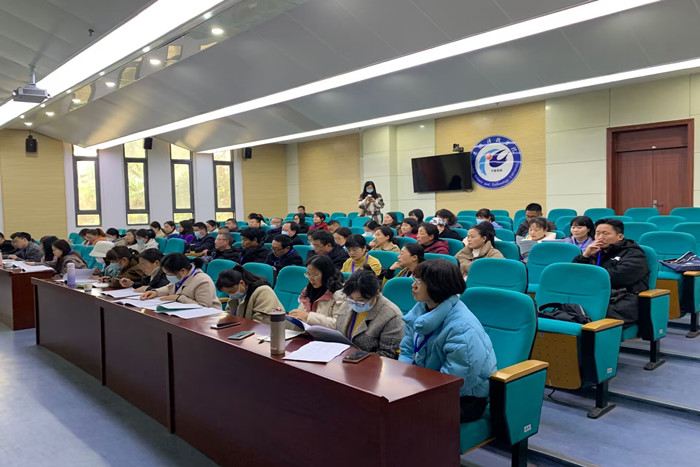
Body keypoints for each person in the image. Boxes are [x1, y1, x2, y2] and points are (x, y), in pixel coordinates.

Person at [400, 259, 497, 423]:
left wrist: (415, 391)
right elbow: (407, 350)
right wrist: (402, 379)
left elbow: (457, 379)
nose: (413, 285)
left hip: (463, 398)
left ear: (437, 286)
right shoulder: (419, 313)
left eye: (418, 281)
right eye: (414, 279)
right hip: (426, 384)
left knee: (401, 416)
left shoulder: (462, 327)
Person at [573, 219, 649, 325]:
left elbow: (617, 276)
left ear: (620, 237)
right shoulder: (596, 251)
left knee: (586, 315)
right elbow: (575, 274)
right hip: (596, 295)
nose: (600, 237)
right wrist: (585, 256)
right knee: (566, 308)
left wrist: (588, 280)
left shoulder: (634, 254)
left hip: (623, 300)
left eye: (605, 233)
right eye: (597, 233)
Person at [335, 269, 404, 358]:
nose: (355, 303)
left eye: (361, 300)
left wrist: (354, 359)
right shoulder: (348, 302)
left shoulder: (391, 315)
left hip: (368, 363)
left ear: (377, 293)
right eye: (351, 298)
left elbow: (387, 355)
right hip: (341, 357)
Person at [140, 253, 220, 308]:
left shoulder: (203, 281)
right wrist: (156, 292)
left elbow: (203, 307)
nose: (168, 276)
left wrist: (179, 298)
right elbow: (170, 287)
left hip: (208, 318)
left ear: (183, 271)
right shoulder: (181, 276)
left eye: (169, 274)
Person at [288, 255, 347, 329]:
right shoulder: (307, 290)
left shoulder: (339, 294)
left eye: (315, 275)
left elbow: (337, 324)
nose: (311, 279)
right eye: (308, 274)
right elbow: (301, 317)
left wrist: (308, 316)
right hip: (306, 333)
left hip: (326, 335)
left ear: (326, 274)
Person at [216, 265, 284, 323]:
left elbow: (261, 322)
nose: (230, 295)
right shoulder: (236, 293)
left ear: (242, 283)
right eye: (227, 292)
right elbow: (229, 314)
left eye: (230, 291)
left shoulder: (263, 291)